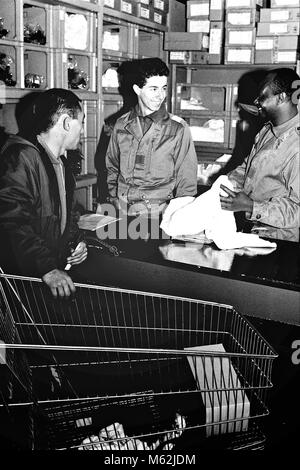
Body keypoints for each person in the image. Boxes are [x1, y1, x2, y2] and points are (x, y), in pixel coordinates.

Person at [0, 88, 88, 297]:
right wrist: (46, 268)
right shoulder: (21, 157)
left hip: (49, 273)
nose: (82, 130)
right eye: (81, 123)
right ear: (67, 122)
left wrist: (77, 242)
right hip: (25, 280)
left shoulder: (60, 162)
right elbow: (10, 222)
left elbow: (67, 214)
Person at [105, 57, 198, 217]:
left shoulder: (178, 129)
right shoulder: (121, 125)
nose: (160, 95)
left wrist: (176, 215)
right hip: (123, 212)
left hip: (160, 216)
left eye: (164, 88)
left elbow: (187, 182)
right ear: (137, 89)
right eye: (153, 89)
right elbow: (112, 166)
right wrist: (114, 197)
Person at [220, 67, 300, 242]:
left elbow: (297, 210)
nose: (256, 101)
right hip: (255, 233)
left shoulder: (296, 146)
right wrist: (223, 185)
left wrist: (251, 206)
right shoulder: (267, 130)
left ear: (282, 97)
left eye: (263, 96)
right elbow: (249, 168)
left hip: (281, 243)